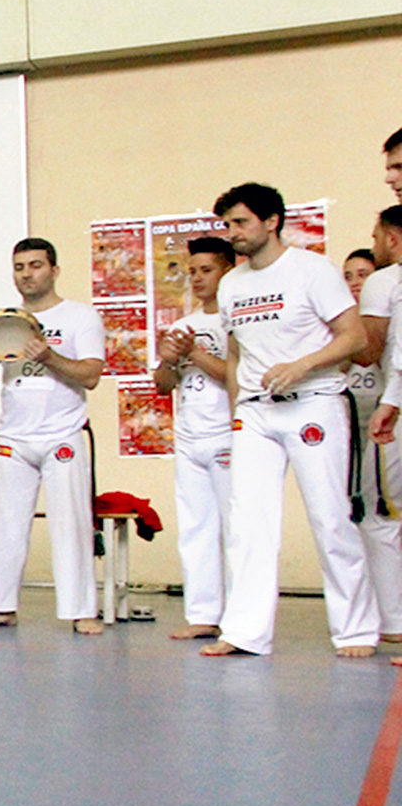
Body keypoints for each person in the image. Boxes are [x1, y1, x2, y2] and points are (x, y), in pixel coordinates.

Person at [204, 183, 376, 657]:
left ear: (272, 221)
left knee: (330, 519)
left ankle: (356, 630)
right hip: (257, 413)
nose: (232, 233)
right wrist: (238, 410)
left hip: (314, 403)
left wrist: (302, 365)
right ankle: (244, 631)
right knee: (248, 524)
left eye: (240, 222)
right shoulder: (232, 284)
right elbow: (237, 353)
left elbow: (355, 337)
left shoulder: (312, 270)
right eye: (227, 225)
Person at [0, 239, 107, 633]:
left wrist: (49, 357)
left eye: (36, 265)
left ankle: (82, 611)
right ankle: (0, 606)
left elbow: (91, 375)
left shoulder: (80, 317)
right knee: (7, 525)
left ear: (54, 270)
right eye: (20, 267)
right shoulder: (4, 321)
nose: (27, 274)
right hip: (15, 436)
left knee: (71, 524)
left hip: (63, 434)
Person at [152, 236, 236, 641]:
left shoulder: (235, 320)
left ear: (228, 270)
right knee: (196, 526)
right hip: (189, 436)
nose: (198, 279)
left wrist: (196, 354)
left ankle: (241, 616)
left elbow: (237, 377)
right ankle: (203, 613)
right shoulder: (185, 325)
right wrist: (170, 359)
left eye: (207, 270)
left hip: (229, 435)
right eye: (193, 272)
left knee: (236, 529)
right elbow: (163, 384)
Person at [342, 245, 402, 643]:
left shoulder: (381, 316)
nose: (355, 282)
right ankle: (384, 613)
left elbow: (377, 355)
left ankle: (394, 620)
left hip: (386, 422)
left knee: (383, 516)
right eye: (347, 276)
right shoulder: (339, 326)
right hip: (356, 433)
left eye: (363, 273)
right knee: (364, 518)